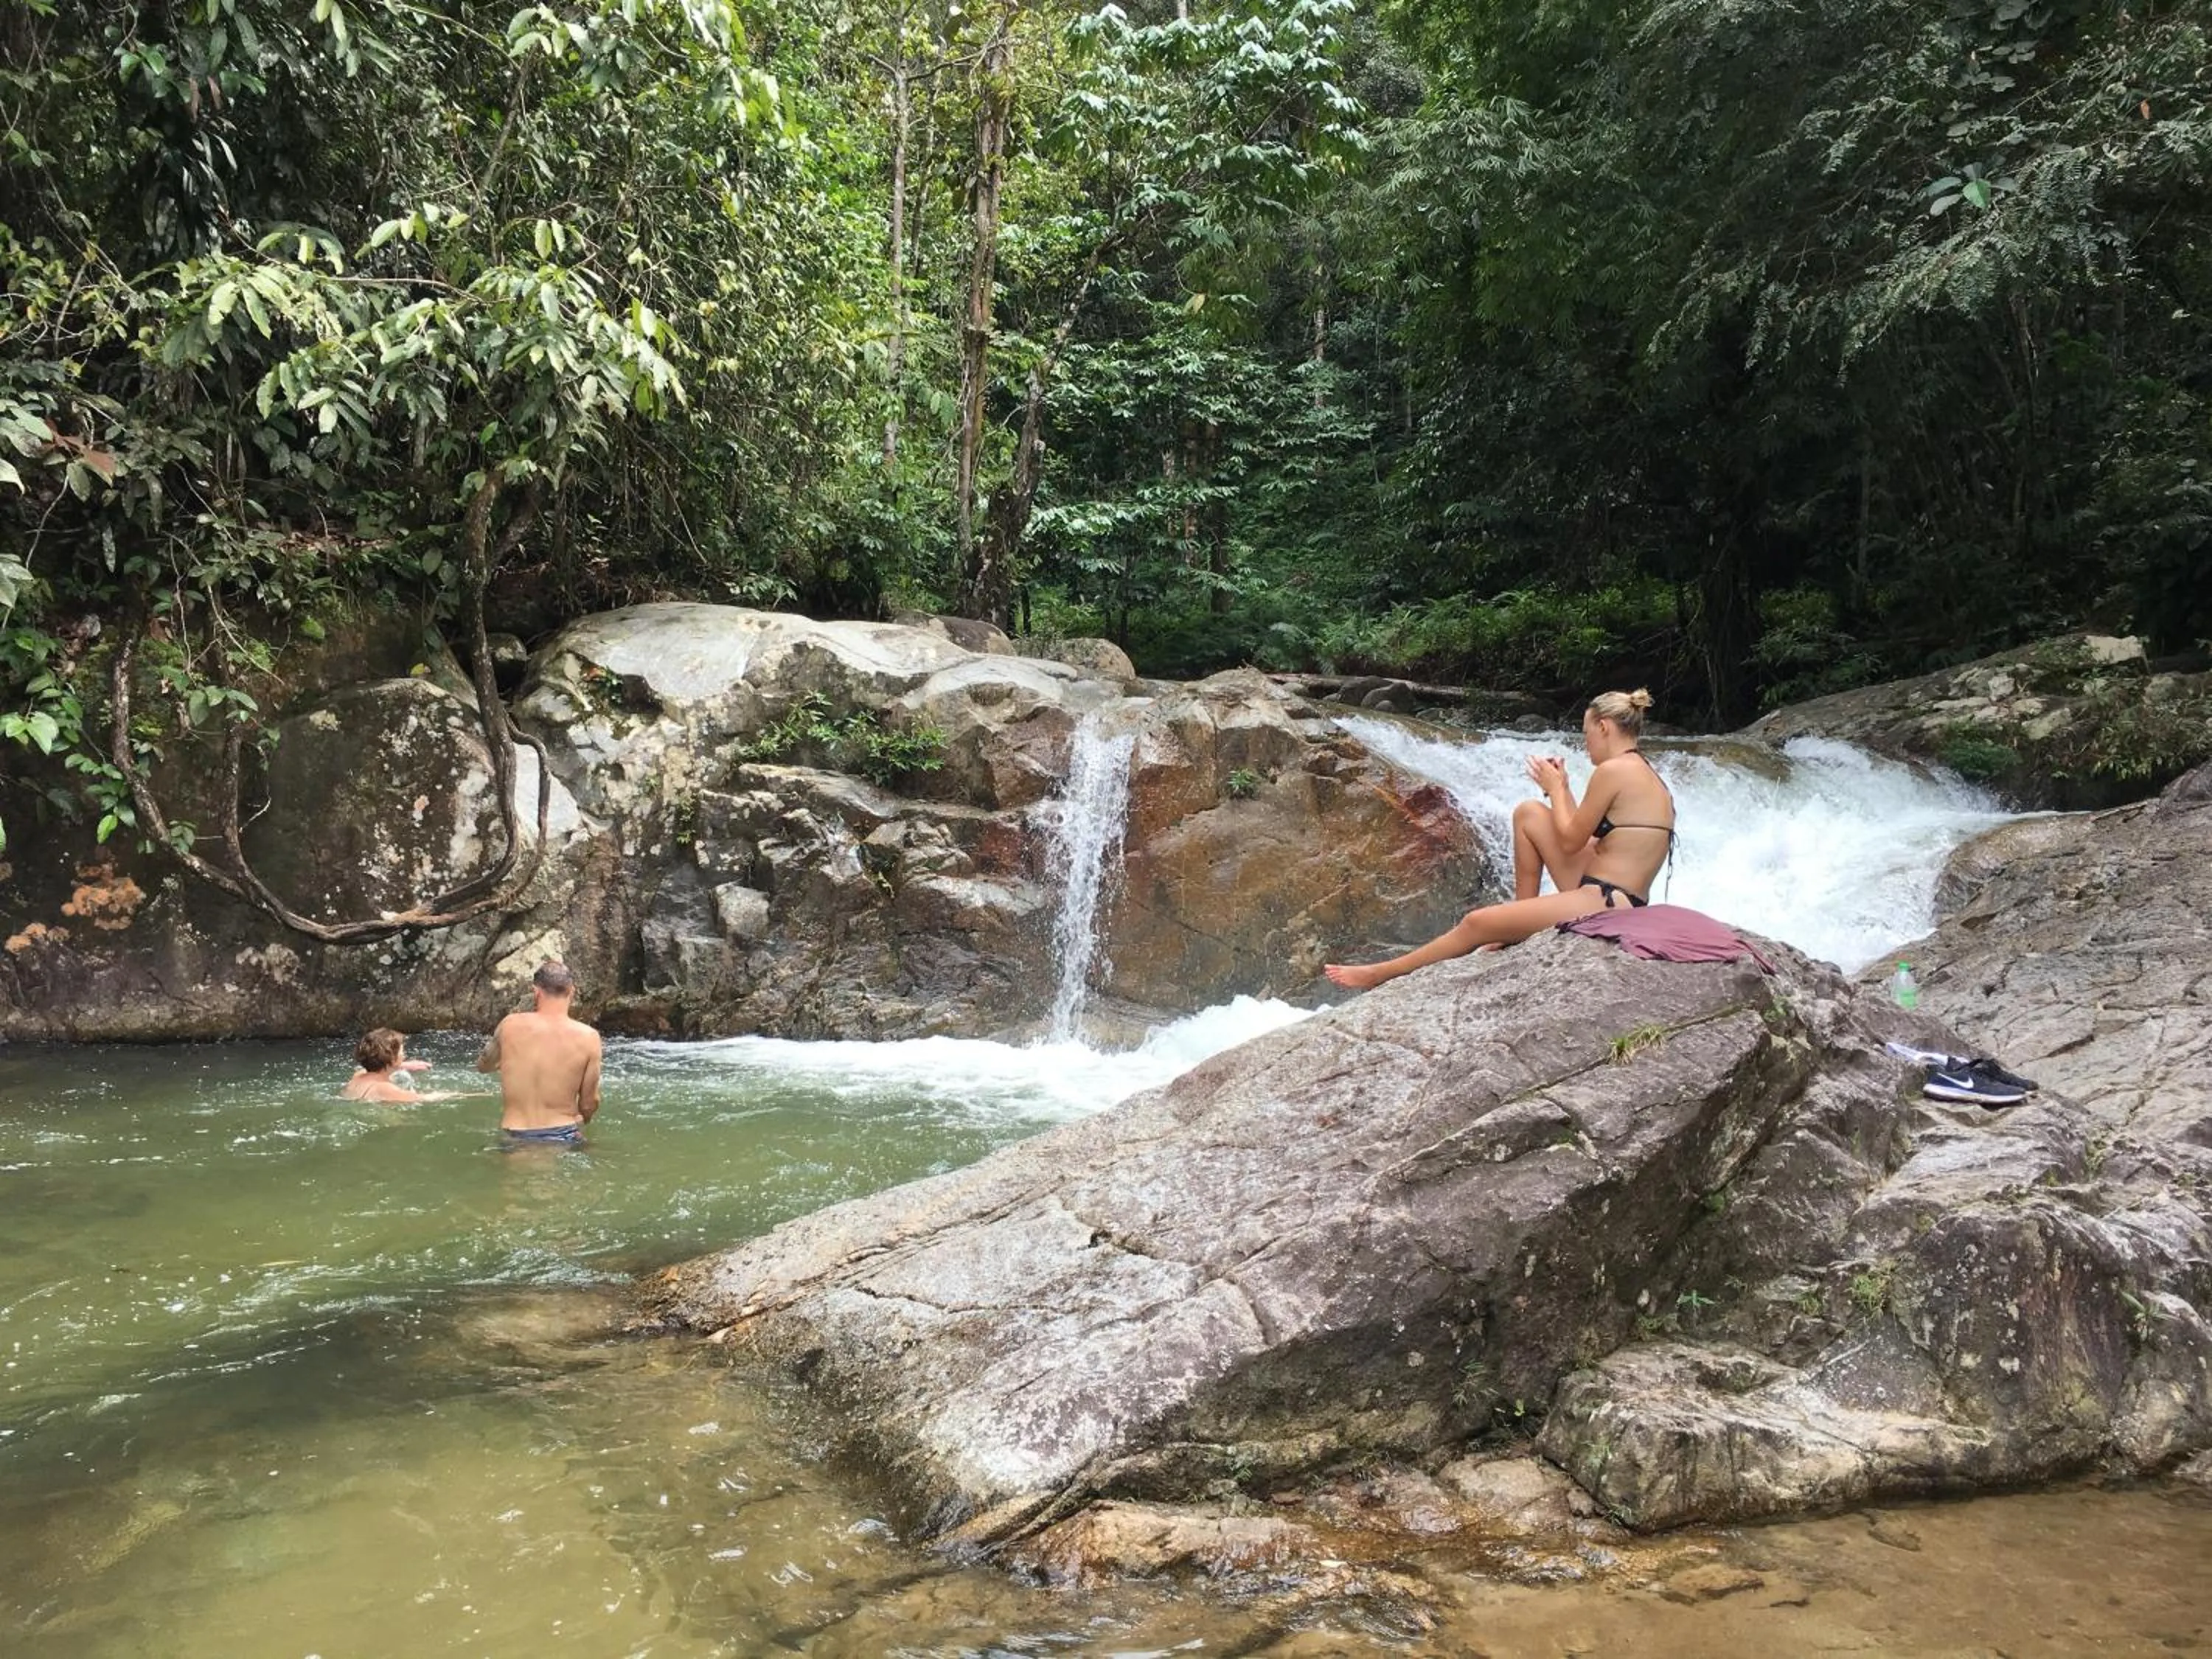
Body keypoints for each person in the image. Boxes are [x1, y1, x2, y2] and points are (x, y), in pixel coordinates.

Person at [1325, 689, 1677, 991]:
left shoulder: (1613, 770)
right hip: (1609, 889)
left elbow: (1571, 842)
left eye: (1587, 734)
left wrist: (1556, 789)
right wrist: (1562, 788)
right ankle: (1518, 925)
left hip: (1607, 902)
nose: (1586, 746)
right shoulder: (1645, 773)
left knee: (1476, 923)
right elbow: (1578, 833)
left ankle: (1381, 974)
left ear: (1604, 727)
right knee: (1529, 813)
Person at [476, 959, 603, 1144]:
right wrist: (585, 1119)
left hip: (514, 1135)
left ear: (536, 992)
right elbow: (589, 1103)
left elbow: (483, 1066)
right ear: (572, 991)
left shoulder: (509, 1025)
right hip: (563, 1135)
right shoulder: (589, 1037)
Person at [340, 1029, 481, 1103]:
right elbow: (424, 1099)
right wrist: (463, 1095)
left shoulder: (358, 1076)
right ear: (391, 1058)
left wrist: (403, 1065)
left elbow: (371, 1067)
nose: (405, 1054)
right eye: (402, 1051)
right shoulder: (384, 1089)